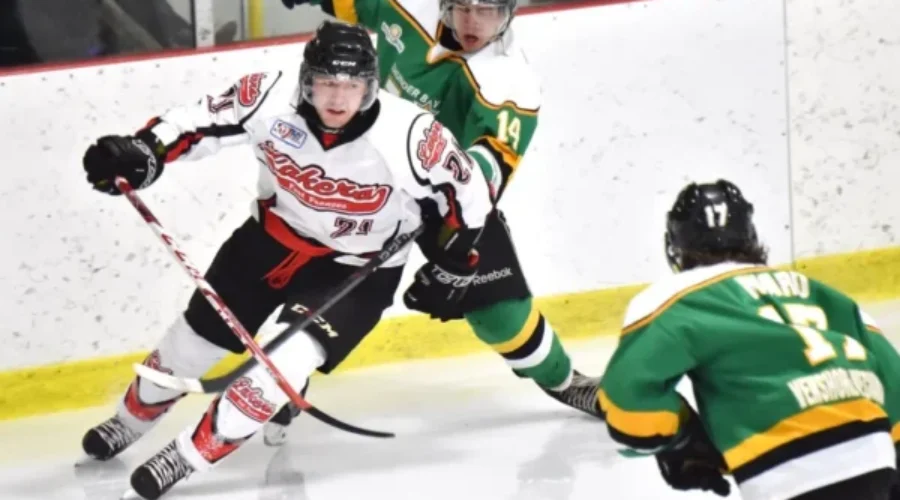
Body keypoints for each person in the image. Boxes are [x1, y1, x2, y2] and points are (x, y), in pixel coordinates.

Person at [77, 20, 493, 500]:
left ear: (371, 87)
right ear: (306, 80)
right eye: (326, 84)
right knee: (189, 347)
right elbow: (193, 123)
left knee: (280, 365)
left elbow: (469, 194)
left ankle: (187, 457)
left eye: (352, 86)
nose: (338, 98)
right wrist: (143, 151)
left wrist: (456, 259)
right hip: (270, 243)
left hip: (359, 267)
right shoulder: (268, 99)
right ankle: (127, 422)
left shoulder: (411, 136)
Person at [271, 0, 604, 439]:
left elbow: (482, 177)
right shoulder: (407, 6)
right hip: (354, 173)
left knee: (500, 313)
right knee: (313, 268)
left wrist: (458, 250)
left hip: (443, 197)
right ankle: (285, 370)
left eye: (487, 11)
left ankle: (565, 382)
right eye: (462, 7)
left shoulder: (509, 83)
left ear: (509, 12)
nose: (472, 22)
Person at [598, 179, 900, 500]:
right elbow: (892, 378)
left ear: (675, 247)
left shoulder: (674, 296)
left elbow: (625, 402)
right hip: (874, 455)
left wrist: (683, 440)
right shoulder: (816, 291)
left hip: (787, 474)